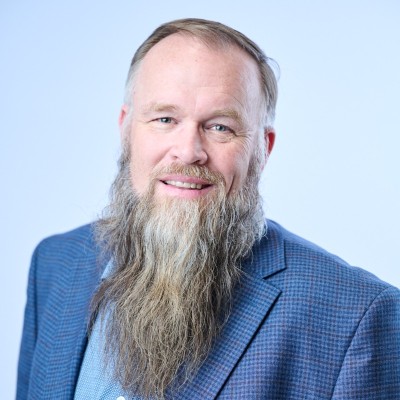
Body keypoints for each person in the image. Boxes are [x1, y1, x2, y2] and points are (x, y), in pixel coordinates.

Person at [17, 18, 400, 400]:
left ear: (262, 149)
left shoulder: (356, 319)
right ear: (126, 129)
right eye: (165, 119)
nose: (188, 151)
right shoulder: (54, 265)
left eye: (220, 127)